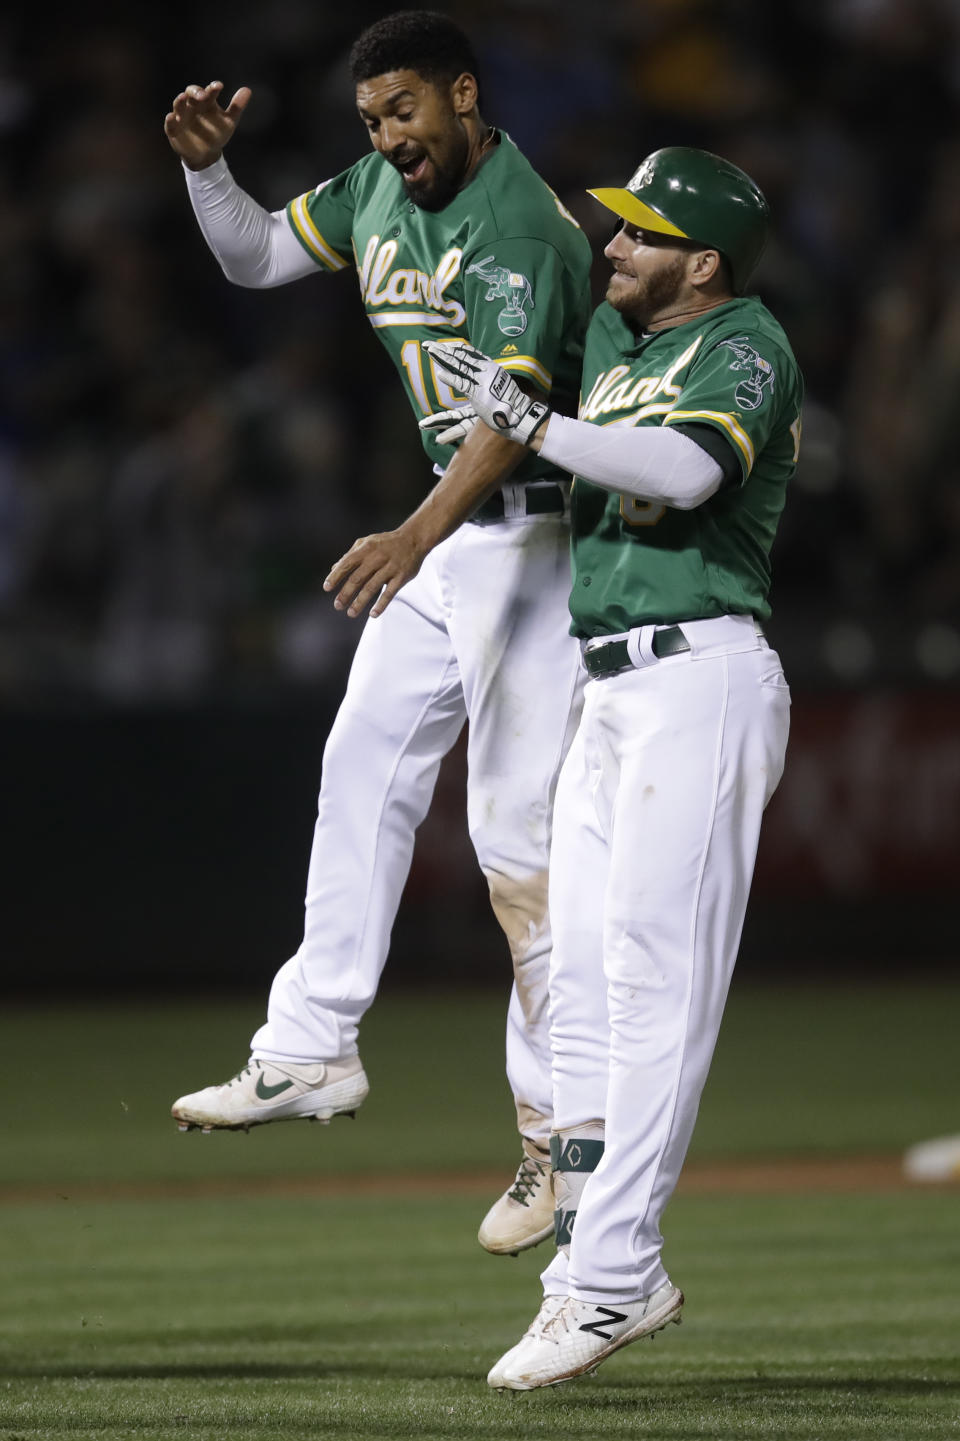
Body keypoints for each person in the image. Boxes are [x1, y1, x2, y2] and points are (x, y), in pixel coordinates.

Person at [163, 9, 592, 1257]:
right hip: (454, 535)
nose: (388, 136)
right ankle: (309, 1047)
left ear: (464, 95)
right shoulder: (372, 190)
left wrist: (411, 535)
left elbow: (511, 413)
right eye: (371, 118)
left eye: (405, 109)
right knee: (362, 766)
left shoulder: (515, 223)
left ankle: (559, 1138)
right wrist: (205, 172)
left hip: (543, 539)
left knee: (518, 847)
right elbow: (252, 259)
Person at [425, 145, 803, 1387]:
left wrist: (542, 423)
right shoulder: (617, 345)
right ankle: (595, 1261)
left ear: (705, 261)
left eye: (644, 234)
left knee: (651, 986)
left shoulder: (746, 343)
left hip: (702, 668)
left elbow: (688, 471)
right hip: (609, 684)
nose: (615, 246)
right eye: (617, 227)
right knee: (578, 981)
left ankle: (613, 1275)